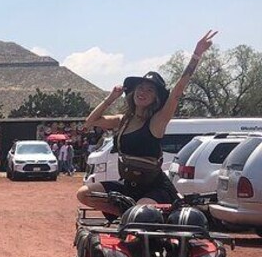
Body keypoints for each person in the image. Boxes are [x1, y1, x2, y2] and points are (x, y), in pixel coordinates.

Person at [77, 31, 218, 215]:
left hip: (154, 189)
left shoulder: (157, 121)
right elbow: (90, 122)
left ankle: (134, 216)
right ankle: (125, 216)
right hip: (128, 185)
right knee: (84, 194)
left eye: (149, 90)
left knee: (140, 212)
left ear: (156, 98)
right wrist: (111, 97)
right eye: (140, 88)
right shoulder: (123, 120)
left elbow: (177, 91)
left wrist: (196, 55)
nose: (142, 92)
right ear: (133, 92)